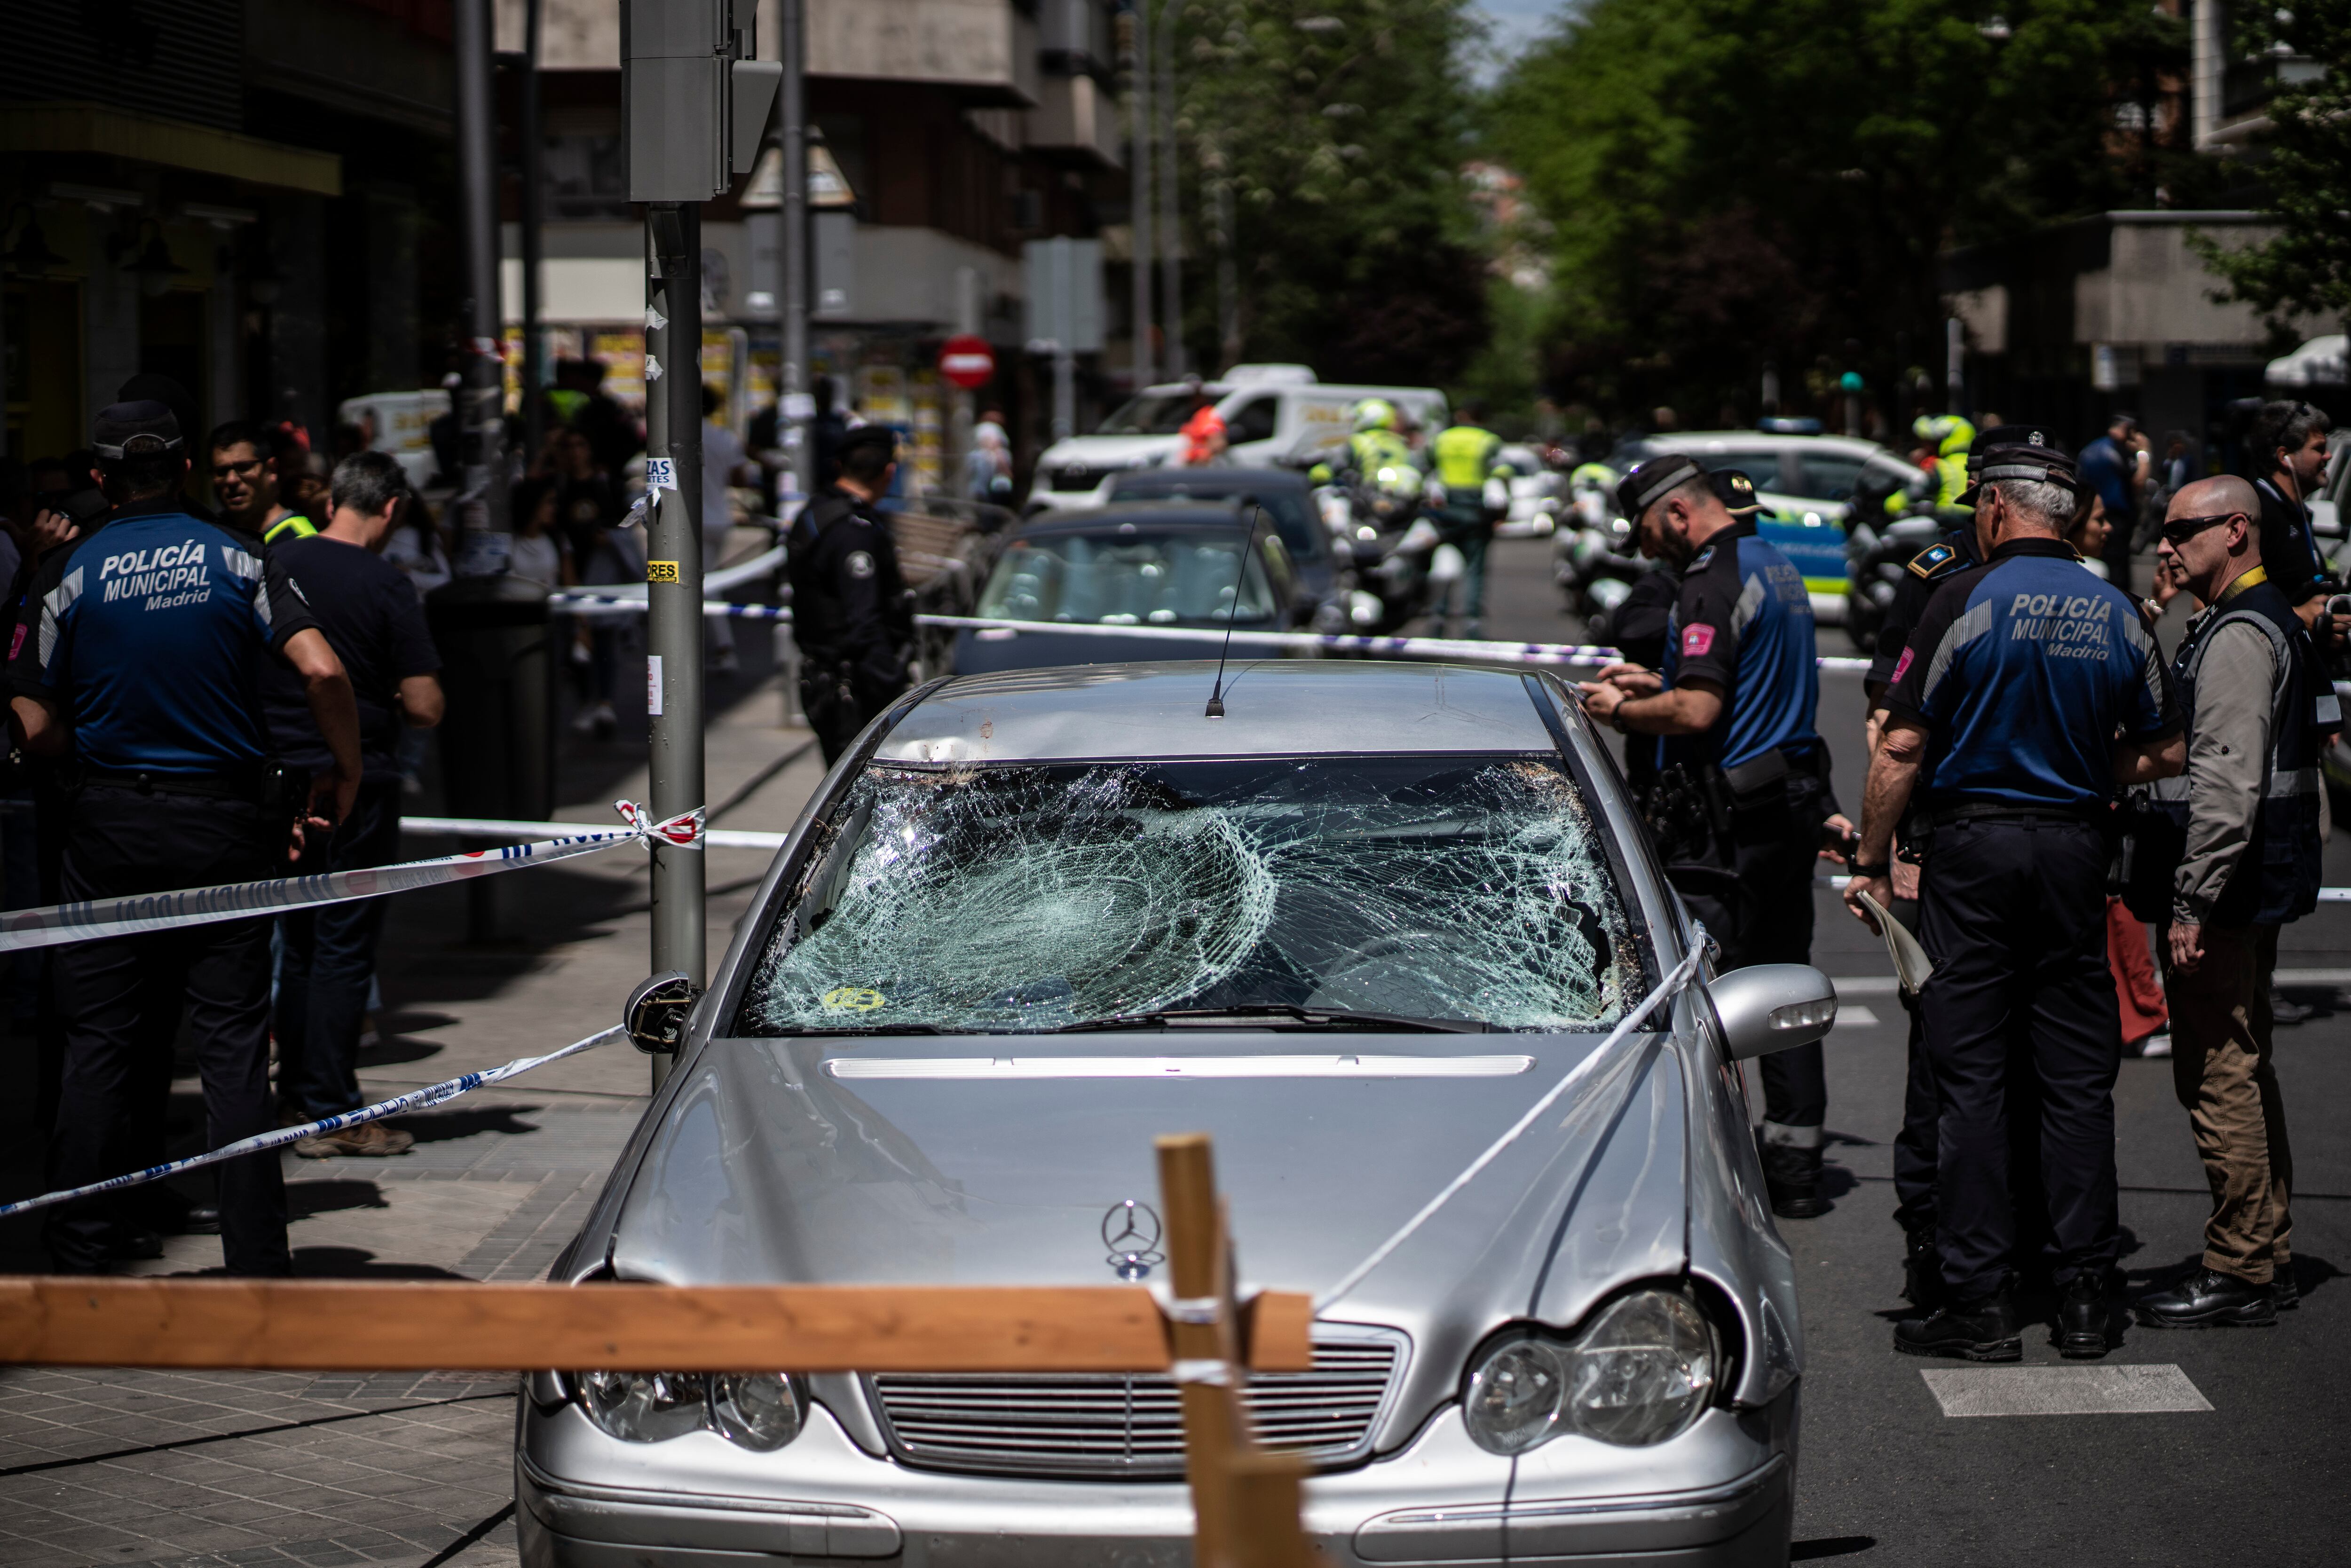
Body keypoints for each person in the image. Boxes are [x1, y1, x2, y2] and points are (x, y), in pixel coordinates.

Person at [1845, 428, 2185, 1362]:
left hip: (1974, 851)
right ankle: (2083, 1295)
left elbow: (1901, 743)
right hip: (2077, 848)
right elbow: (2166, 744)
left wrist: (1871, 859)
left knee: (1970, 1079)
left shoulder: (1961, 596)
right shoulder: (2116, 609)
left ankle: (1978, 1300)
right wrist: (2086, 769)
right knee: (2077, 1080)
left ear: (1994, 508)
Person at [7, 402, 362, 1275]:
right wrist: (343, 772)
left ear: (99, 480)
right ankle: (254, 1259)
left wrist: (74, 741)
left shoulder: (68, 571)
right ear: (187, 471)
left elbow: (33, 720)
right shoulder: (241, 558)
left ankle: (80, 1245)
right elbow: (322, 668)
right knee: (234, 1046)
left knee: (99, 1043)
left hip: (108, 827)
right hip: (224, 826)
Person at [1578, 454, 1843, 1218]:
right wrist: (1656, 686)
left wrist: (1621, 712)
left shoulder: (1708, 578)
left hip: (1724, 830)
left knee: (1688, 994)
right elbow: (1743, 686)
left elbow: (1699, 714)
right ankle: (1796, 1165)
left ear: (1678, 515)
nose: (1647, 547)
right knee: (1782, 985)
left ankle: (1693, 1161)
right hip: (1786, 806)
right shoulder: (1775, 566)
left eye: (1648, 531)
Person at [2124, 475, 2333, 1327]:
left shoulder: (2242, 634)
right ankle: (2266, 1253)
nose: (2165, 545)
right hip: (2252, 884)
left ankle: (2241, 1268)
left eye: (2183, 530)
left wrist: (2192, 901)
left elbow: (2227, 784)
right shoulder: (2252, 620)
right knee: (2241, 1063)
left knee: (2218, 1073)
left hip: (2228, 891)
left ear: (2237, 531)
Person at [261, 453, 446, 1159]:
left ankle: (294, 1098)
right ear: (392, 509)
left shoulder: (276, 563)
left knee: (298, 943)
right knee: (342, 944)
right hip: (356, 783)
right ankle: (333, 1110)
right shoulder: (386, 584)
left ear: (333, 497)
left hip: (277, 778)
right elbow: (425, 705)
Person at [788, 425, 914, 764]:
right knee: (862, 801)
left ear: (840, 465)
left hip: (827, 680)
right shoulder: (852, 531)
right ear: (889, 472)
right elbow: (865, 620)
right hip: (856, 690)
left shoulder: (816, 513)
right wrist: (895, 690)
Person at [1430, 404, 1513, 638]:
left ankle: (1438, 618)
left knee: (1442, 564)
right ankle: (1472, 623)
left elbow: (1428, 469)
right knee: (1474, 569)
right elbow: (1503, 473)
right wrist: (1502, 513)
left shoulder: (1442, 439)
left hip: (1446, 512)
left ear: (1460, 416)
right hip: (1476, 512)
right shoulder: (1487, 440)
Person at [2249, 399, 2334, 613]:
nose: (2328, 456)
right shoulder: (2257, 512)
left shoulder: (2296, 512)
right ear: (2284, 458)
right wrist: (2299, 616)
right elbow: (2215, 604)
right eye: (2319, 449)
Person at [702, 384, 759, 677]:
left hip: (687, 523)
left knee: (693, 586)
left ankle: (723, 648)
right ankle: (719, 647)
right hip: (717, 518)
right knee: (708, 585)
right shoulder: (722, 438)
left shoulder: (672, 435)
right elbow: (741, 478)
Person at [2076, 412, 2148, 591]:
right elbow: (2139, 481)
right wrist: (2145, 453)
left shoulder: (2090, 449)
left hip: (2091, 512)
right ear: (2126, 429)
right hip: (2116, 515)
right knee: (2118, 569)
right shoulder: (2118, 451)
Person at [206, 421, 311, 543]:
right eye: (222, 471)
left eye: (244, 468)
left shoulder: (302, 540)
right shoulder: (209, 537)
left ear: (272, 469)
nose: (231, 480)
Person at [1911, 414, 1976, 509]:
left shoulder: (1942, 465)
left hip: (1947, 515)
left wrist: (1893, 503)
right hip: (1972, 517)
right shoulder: (1976, 463)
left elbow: (1922, 488)